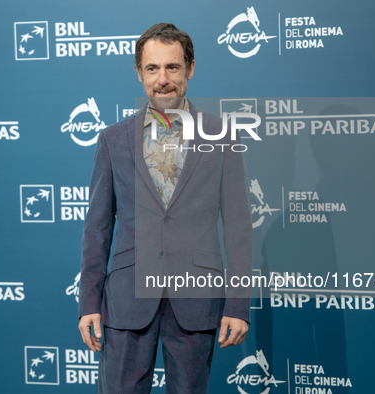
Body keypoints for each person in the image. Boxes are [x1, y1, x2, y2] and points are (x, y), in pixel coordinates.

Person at [78, 23, 253, 393]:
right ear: (139, 73)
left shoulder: (222, 136)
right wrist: (88, 302)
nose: (163, 80)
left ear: (190, 69)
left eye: (172, 67)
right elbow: (96, 229)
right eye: (153, 69)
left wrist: (237, 304)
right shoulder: (112, 139)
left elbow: (238, 227)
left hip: (196, 299)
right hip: (127, 299)